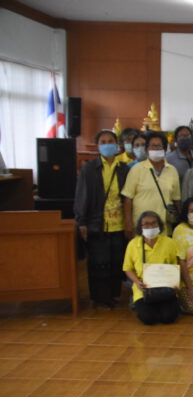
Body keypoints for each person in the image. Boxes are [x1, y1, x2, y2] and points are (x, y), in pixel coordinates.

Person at [74, 129, 130, 308]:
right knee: (98, 262)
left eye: (110, 141)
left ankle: (114, 294)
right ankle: (99, 297)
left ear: (117, 145)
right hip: (97, 223)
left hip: (119, 223)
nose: (107, 145)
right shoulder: (89, 169)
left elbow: (128, 197)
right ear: (97, 146)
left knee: (116, 261)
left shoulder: (124, 169)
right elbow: (82, 196)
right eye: (103, 142)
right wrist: (81, 221)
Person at [123, 211, 179, 325]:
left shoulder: (170, 243)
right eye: (146, 224)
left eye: (154, 223)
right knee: (149, 319)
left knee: (168, 318)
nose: (151, 227)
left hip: (166, 288)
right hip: (144, 289)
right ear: (140, 227)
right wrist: (137, 282)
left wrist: (175, 283)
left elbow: (175, 265)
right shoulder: (133, 244)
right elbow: (127, 268)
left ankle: (160, 307)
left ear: (159, 225)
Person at [122, 131, 181, 236]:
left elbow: (177, 199)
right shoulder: (137, 169)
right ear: (146, 150)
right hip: (141, 226)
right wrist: (128, 222)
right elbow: (128, 198)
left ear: (165, 149)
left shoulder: (172, 170)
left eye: (159, 146)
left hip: (164, 226)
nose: (155, 149)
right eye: (152, 146)